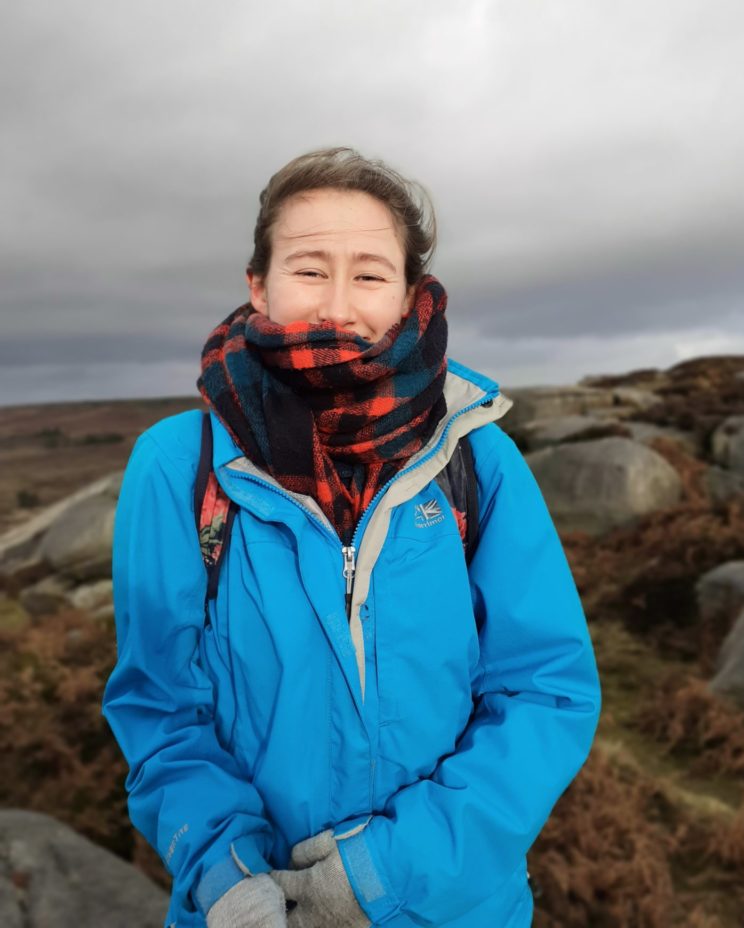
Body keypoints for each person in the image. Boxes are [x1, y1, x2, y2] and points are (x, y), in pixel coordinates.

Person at [103, 147, 601, 928]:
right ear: (258, 283)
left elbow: (546, 686)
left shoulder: (473, 457)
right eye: (309, 269)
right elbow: (159, 707)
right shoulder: (179, 466)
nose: (338, 304)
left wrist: (392, 871)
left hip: (454, 906)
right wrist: (222, 871)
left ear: (410, 296)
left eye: (370, 274)